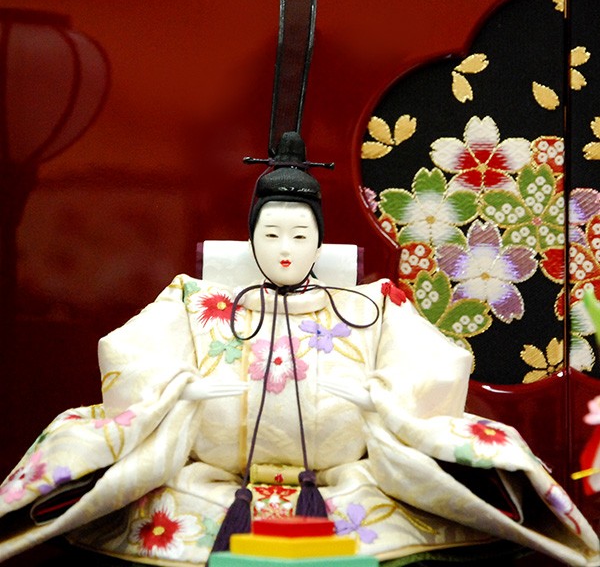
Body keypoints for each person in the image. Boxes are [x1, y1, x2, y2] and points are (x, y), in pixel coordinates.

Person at [0, 133, 598, 566]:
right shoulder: (193, 300)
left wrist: (383, 399)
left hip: (352, 482)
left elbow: (437, 363)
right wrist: (181, 389)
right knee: (126, 486)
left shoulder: (372, 305)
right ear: (252, 239)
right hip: (208, 482)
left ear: (319, 241)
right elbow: (132, 355)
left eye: (299, 233)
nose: (285, 247)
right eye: (271, 233)